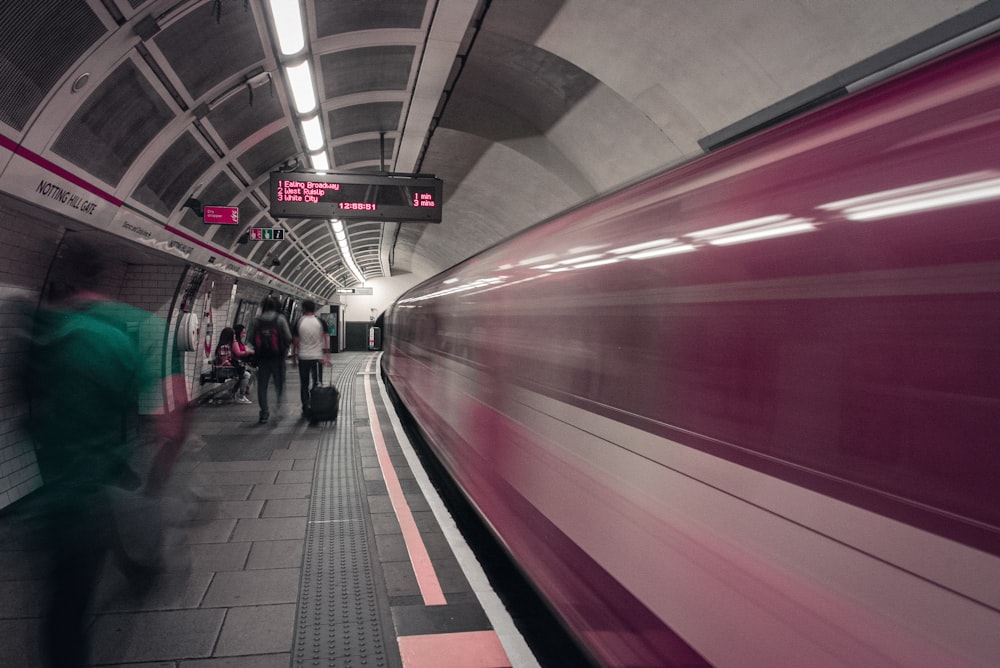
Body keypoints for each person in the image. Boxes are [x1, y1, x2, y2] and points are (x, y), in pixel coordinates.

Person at [25, 234, 190, 668]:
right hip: (106, 482)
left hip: (55, 490)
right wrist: (160, 477)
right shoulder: (126, 333)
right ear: (105, 277)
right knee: (98, 580)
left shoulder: (43, 334)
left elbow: (34, 409)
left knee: (63, 605)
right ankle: (140, 568)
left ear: (61, 280)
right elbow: (167, 417)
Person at [251, 295, 292, 424]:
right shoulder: (279, 319)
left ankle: (264, 413)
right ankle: (278, 409)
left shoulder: (256, 321)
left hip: (262, 359)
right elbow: (288, 337)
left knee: (262, 386)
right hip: (277, 358)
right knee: (279, 384)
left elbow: (251, 339)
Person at [292, 299, 330, 417]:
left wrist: (294, 357)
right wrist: (327, 356)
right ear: (314, 309)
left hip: (303, 357)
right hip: (317, 358)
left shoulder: (299, 322)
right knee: (317, 383)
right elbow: (326, 339)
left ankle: (305, 407)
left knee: (304, 384)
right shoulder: (320, 322)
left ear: (303, 309)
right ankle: (316, 405)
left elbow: (296, 342)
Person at [214, 327, 252, 403]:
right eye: (233, 335)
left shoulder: (225, 346)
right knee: (246, 375)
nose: (234, 336)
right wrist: (235, 366)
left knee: (243, 374)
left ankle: (233, 393)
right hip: (224, 370)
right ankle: (241, 396)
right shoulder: (224, 347)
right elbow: (225, 362)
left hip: (227, 369)